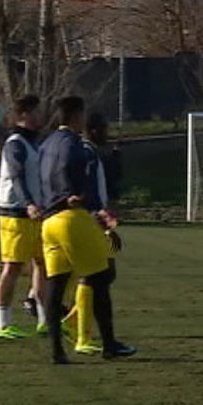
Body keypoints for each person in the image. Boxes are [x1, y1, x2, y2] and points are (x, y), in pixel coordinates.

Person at [38, 96, 135, 364]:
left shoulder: (46, 144)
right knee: (102, 277)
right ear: (76, 116)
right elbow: (81, 175)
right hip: (72, 218)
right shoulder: (75, 145)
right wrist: (93, 208)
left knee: (56, 286)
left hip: (49, 221)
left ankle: (57, 350)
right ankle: (109, 344)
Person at [62, 112, 125, 354]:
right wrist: (99, 214)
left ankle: (74, 323)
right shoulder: (86, 153)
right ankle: (79, 332)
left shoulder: (90, 153)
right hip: (88, 221)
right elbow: (87, 189)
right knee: (97, 274)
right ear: (95, 130)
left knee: (102, 275)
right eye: (105, 129)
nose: (107, 134)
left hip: (90, 219)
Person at [0, 95, 47, 339]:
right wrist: (28, 203)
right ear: (24, 114)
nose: (41, 115)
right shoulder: (15, 143)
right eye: (36, 111)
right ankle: (4, 323)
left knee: (43, 264)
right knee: (13, 267)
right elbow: (17, 176)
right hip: (15, 213)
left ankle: (44, 319)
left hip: (36, 213)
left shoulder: (34, 143)